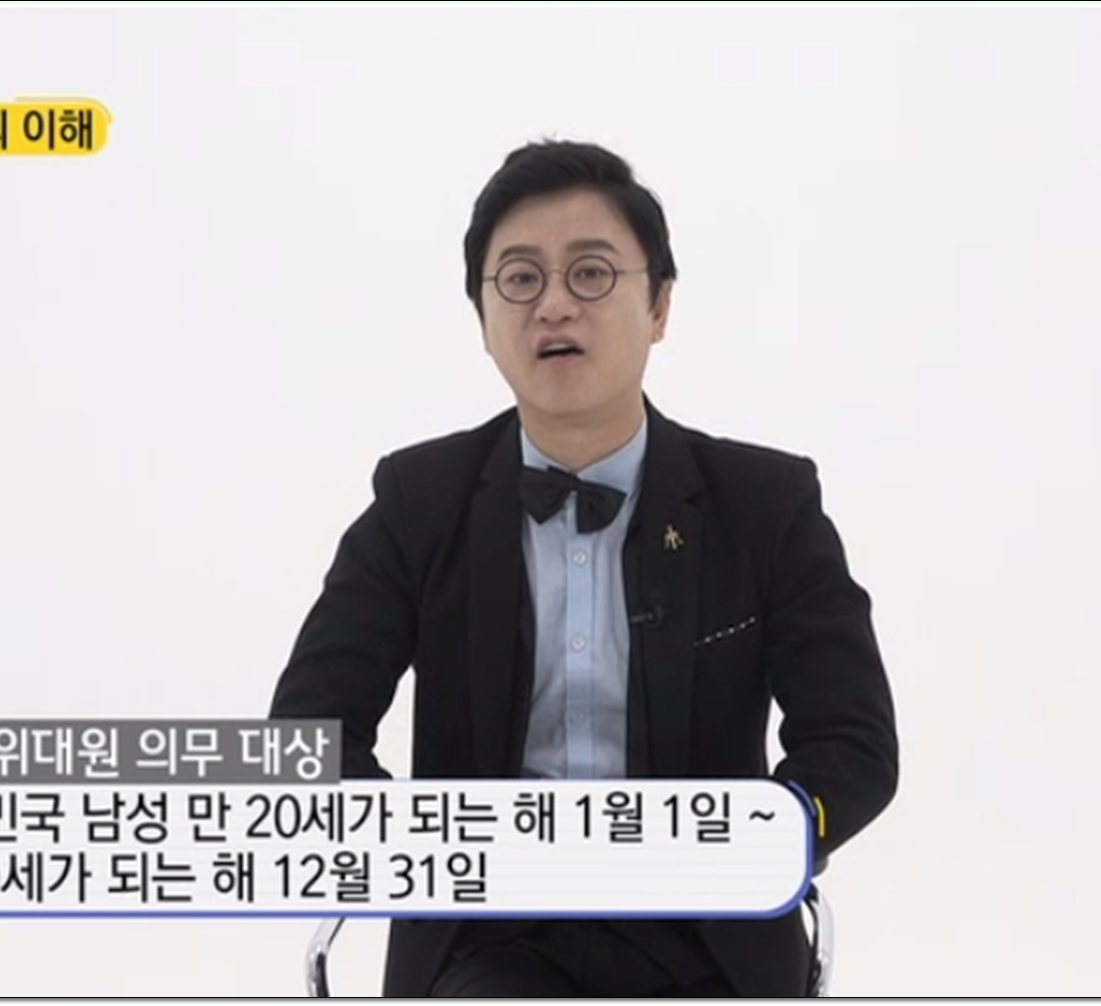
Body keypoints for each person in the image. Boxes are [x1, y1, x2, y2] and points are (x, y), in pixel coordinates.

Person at [268, 139, 898, 997]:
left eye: (592, 274)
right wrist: (419, 847)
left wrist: (759, 839)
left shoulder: (766, 504)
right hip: (486, 936)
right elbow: (308, 734)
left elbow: (853, 744)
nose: (554, 305)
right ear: (482, 319)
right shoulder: (418, 502)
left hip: (710, 934)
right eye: (520, 278)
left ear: (660, 305)